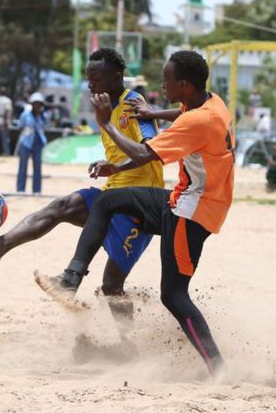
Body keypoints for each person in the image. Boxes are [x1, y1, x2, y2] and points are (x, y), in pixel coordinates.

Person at [36, 51, 235, 377]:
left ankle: (218, 369)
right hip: (183, 199)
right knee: (108, 201)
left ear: (183, 85)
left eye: (167, 80)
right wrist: (155, 111)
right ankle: (70, 279)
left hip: (192, 212)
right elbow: (183, 111)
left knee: (173, 295)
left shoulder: (196, 122)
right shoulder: (212, 103)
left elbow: (145, 154)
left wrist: (105, 124)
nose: (162, 84)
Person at [0, 48, 163, 326]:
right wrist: (111, 163)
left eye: (96, 78)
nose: (90, 84)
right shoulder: (105, 105)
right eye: (88, 78)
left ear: (117, 77)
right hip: (112, 194)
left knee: (111, 287)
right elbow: (125, 153)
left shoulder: (133, 104)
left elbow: (148, 152)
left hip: (139, 206)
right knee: (63, 206)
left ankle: (127, 347)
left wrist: (115, 158)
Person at [16, 92, 48, 194]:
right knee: (23, 167)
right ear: (32, 104)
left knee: (37, 168)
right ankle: (21, 189)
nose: (37, 106)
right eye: (35, 103)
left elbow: (45, 127)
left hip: (38, 143)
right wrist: (27, 134)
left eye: (39, 104)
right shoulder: (25, 115)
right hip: (26, 142)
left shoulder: (43, 116)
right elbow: (20, 127)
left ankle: (37, 190)